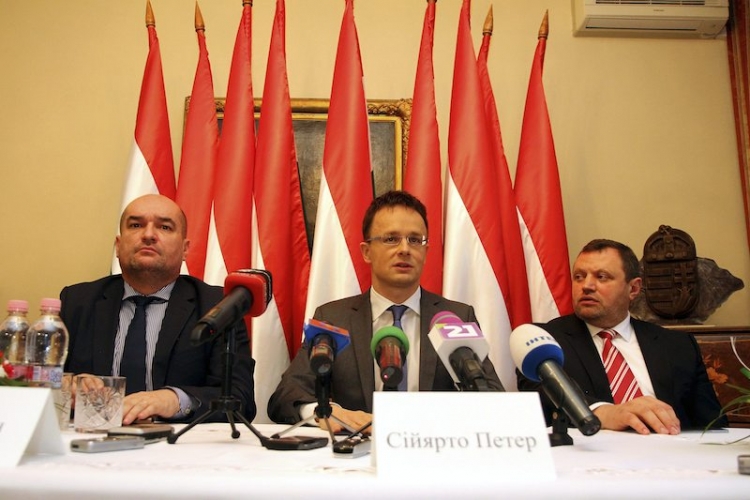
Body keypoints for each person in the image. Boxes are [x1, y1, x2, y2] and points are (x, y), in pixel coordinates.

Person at [267, 190, 504, 432]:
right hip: (359, 451)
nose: (405, 249)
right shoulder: (335, 318)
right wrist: (324, 412)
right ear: (366, 252)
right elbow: (286, 396)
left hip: (433, 446)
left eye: (415, 240)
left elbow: (493, 397)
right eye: (391, 239)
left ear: (425, 252)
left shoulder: (455, 318)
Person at [61, 194, 256, 425]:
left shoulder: (218, 307)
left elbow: (240, 399)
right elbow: (36, 382)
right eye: (136, 225)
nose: (148, 235)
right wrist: (65, 385)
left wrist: (175, 400)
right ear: (118, 245)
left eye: (164, 227)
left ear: (185, 249)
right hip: (93, 435)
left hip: (177, 443)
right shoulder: (77, 302)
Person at [517, 238, 726, 435]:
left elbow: (712, 425)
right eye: (579, 276)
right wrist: (605, 413)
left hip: (670, 451)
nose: (586, 286)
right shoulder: (543, 342)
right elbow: (542, 396)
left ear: (633, 288)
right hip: (591, 454)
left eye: (601, 277)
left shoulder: (677, 345)